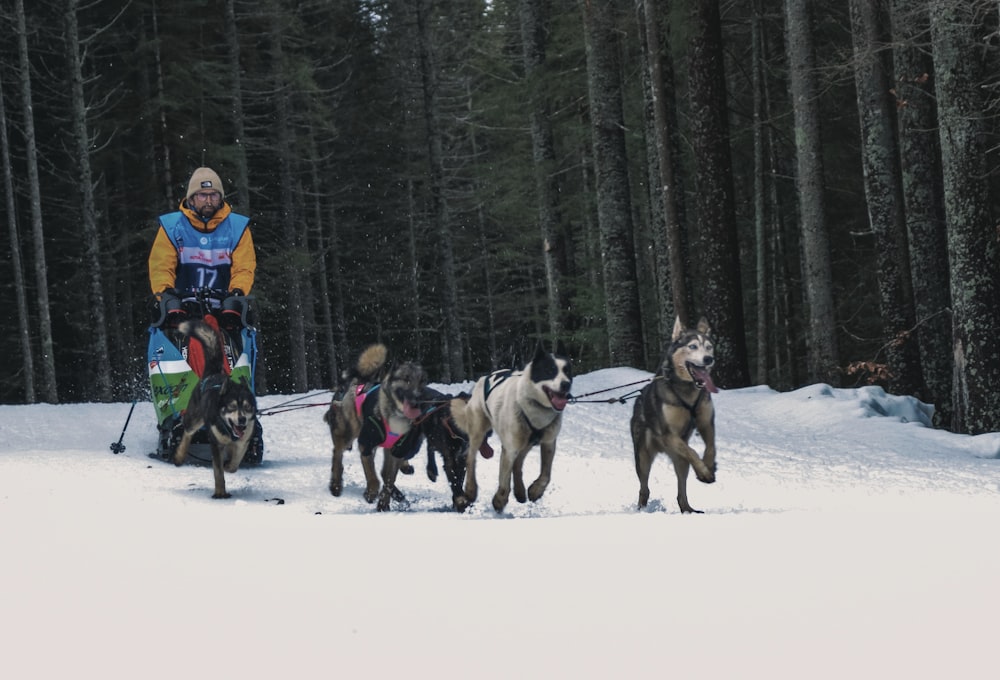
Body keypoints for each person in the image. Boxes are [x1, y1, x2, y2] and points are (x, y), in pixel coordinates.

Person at [148, 167, 257, 332]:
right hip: (182, 306)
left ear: (220, 198)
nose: (208, 201)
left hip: (223, 307)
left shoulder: (237, 228)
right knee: (164, 317)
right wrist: (166, 293)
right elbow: (160, 266)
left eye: (214, 195)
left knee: (239, 316)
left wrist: (237, 292)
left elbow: (244, 267)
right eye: (202, 195)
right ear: (191, 199)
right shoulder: (172, 228)